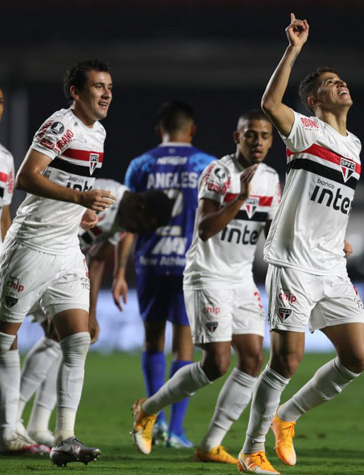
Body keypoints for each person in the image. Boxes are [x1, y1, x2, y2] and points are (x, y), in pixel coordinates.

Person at [0, 59, 116, 468]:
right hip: (30, 245)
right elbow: (27, 178)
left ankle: (65, 436)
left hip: (67, 248)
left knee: (78, 339)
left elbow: (71, 185)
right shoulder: (60, 125)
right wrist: (80, 200)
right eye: (97, 87)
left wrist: (80, 213)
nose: (106, 94)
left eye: (109, 87)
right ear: (75, 92)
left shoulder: (99, 133)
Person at [235, 14, 364, 474]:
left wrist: (339, 237)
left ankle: (286, 417)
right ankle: (251, 452)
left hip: (332, 265)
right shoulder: (305, 132)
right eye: (333, 83)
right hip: (293, 263)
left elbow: (330, 200)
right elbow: (269, 101)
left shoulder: (353, 146)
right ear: (315, 100)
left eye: (342, 80)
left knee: (357, 356)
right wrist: (294, 49)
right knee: (286, 360)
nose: (342, 85)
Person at [131, 110, 281, 464]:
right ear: (237, 137)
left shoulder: (273, 179)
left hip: (242, 277)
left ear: (271, 141)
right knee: (216, 363)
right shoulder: (218, 172)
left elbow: (272, 234)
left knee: (253, 358)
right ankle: (147, 409)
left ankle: (210, 444)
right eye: (250, 135)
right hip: (207, 275)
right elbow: (204, 228)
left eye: (264, 136)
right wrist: (240, 199)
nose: (257, 141)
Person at [13, 179, 173, 446]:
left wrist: (91, 312)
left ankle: (35, 424)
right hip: (38, 256)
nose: (138, 231)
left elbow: (97, 259)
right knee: (26, 339)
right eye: (144, 225)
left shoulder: (122, 220)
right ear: (139, 206)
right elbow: (54, 222)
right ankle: (10, 419)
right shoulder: (104, 198)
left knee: (64, 342)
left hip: (64, 270)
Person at [125, 101, 217, 448]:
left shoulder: (141, 164)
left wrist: (119, 271)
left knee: (152, 342)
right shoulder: (206, 164)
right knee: (185, 347)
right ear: (191, 130)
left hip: (149, 262)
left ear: (158, 129)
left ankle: (154, 420)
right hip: (188, 264)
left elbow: (127, 219)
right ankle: (175, 430)